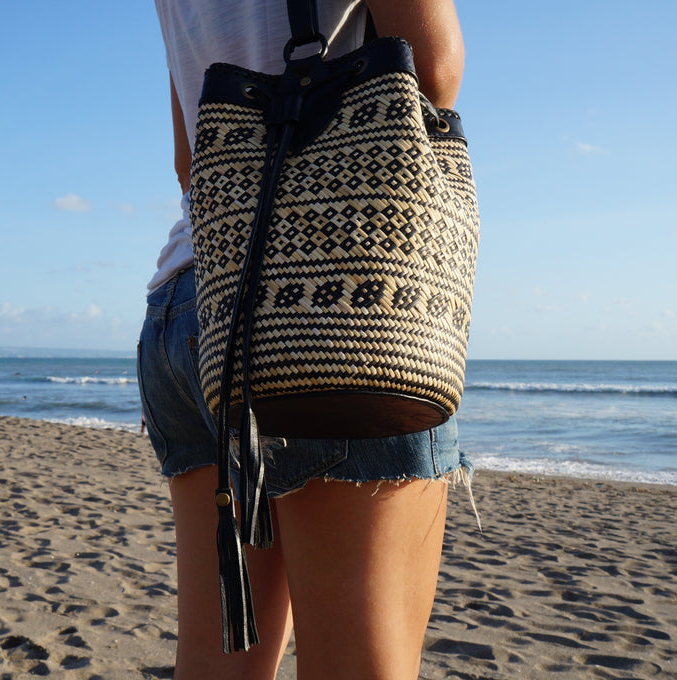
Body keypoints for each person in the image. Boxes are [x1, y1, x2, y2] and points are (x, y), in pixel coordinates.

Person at [137, 2, 471, 678]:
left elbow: (190, 157)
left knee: (218, 663)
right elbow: (432, 70)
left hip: (192, 302)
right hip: (340, 311)